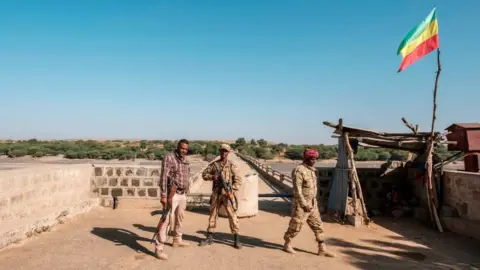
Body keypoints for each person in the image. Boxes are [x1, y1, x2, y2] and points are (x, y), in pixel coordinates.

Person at [283, 148, 335, 258]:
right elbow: (297, 190)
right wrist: (304, 204)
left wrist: (313, 203)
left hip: (312, 204)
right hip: (301, 205)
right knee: (296, 226)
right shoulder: (299, 170)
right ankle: (287, 244)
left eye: (315, 159)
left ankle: (322, 248)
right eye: (311, 159)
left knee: (318, 226)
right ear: (306, 158)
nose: (314, 161)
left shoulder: (312, 170)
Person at [198, 144, 243, 249]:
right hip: (216, 193)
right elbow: (204, 175)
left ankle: (237, 239)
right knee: (213, 215)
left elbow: (238, 180)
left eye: (226, 151)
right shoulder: (214, 165)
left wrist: (232, 190)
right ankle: (209, 237)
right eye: (222, 151)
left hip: (227, 194)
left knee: (233, 216)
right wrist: (213, 177)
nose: (224, 153)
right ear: (220, 151)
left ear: (228, 152)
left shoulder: (232, 165)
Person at [154, 139, 191, 260]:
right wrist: (164, 195)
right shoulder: (169, 158)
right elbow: (164, 177)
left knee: (180, 217)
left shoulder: (186, 159)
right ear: (178, 147)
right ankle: (159, 248)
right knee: (166, 220)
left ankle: (177, 240)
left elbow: (186, 175)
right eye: (182, 148)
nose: (184, 151)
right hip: (172, 193)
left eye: (186, 149)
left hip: (182, 193)